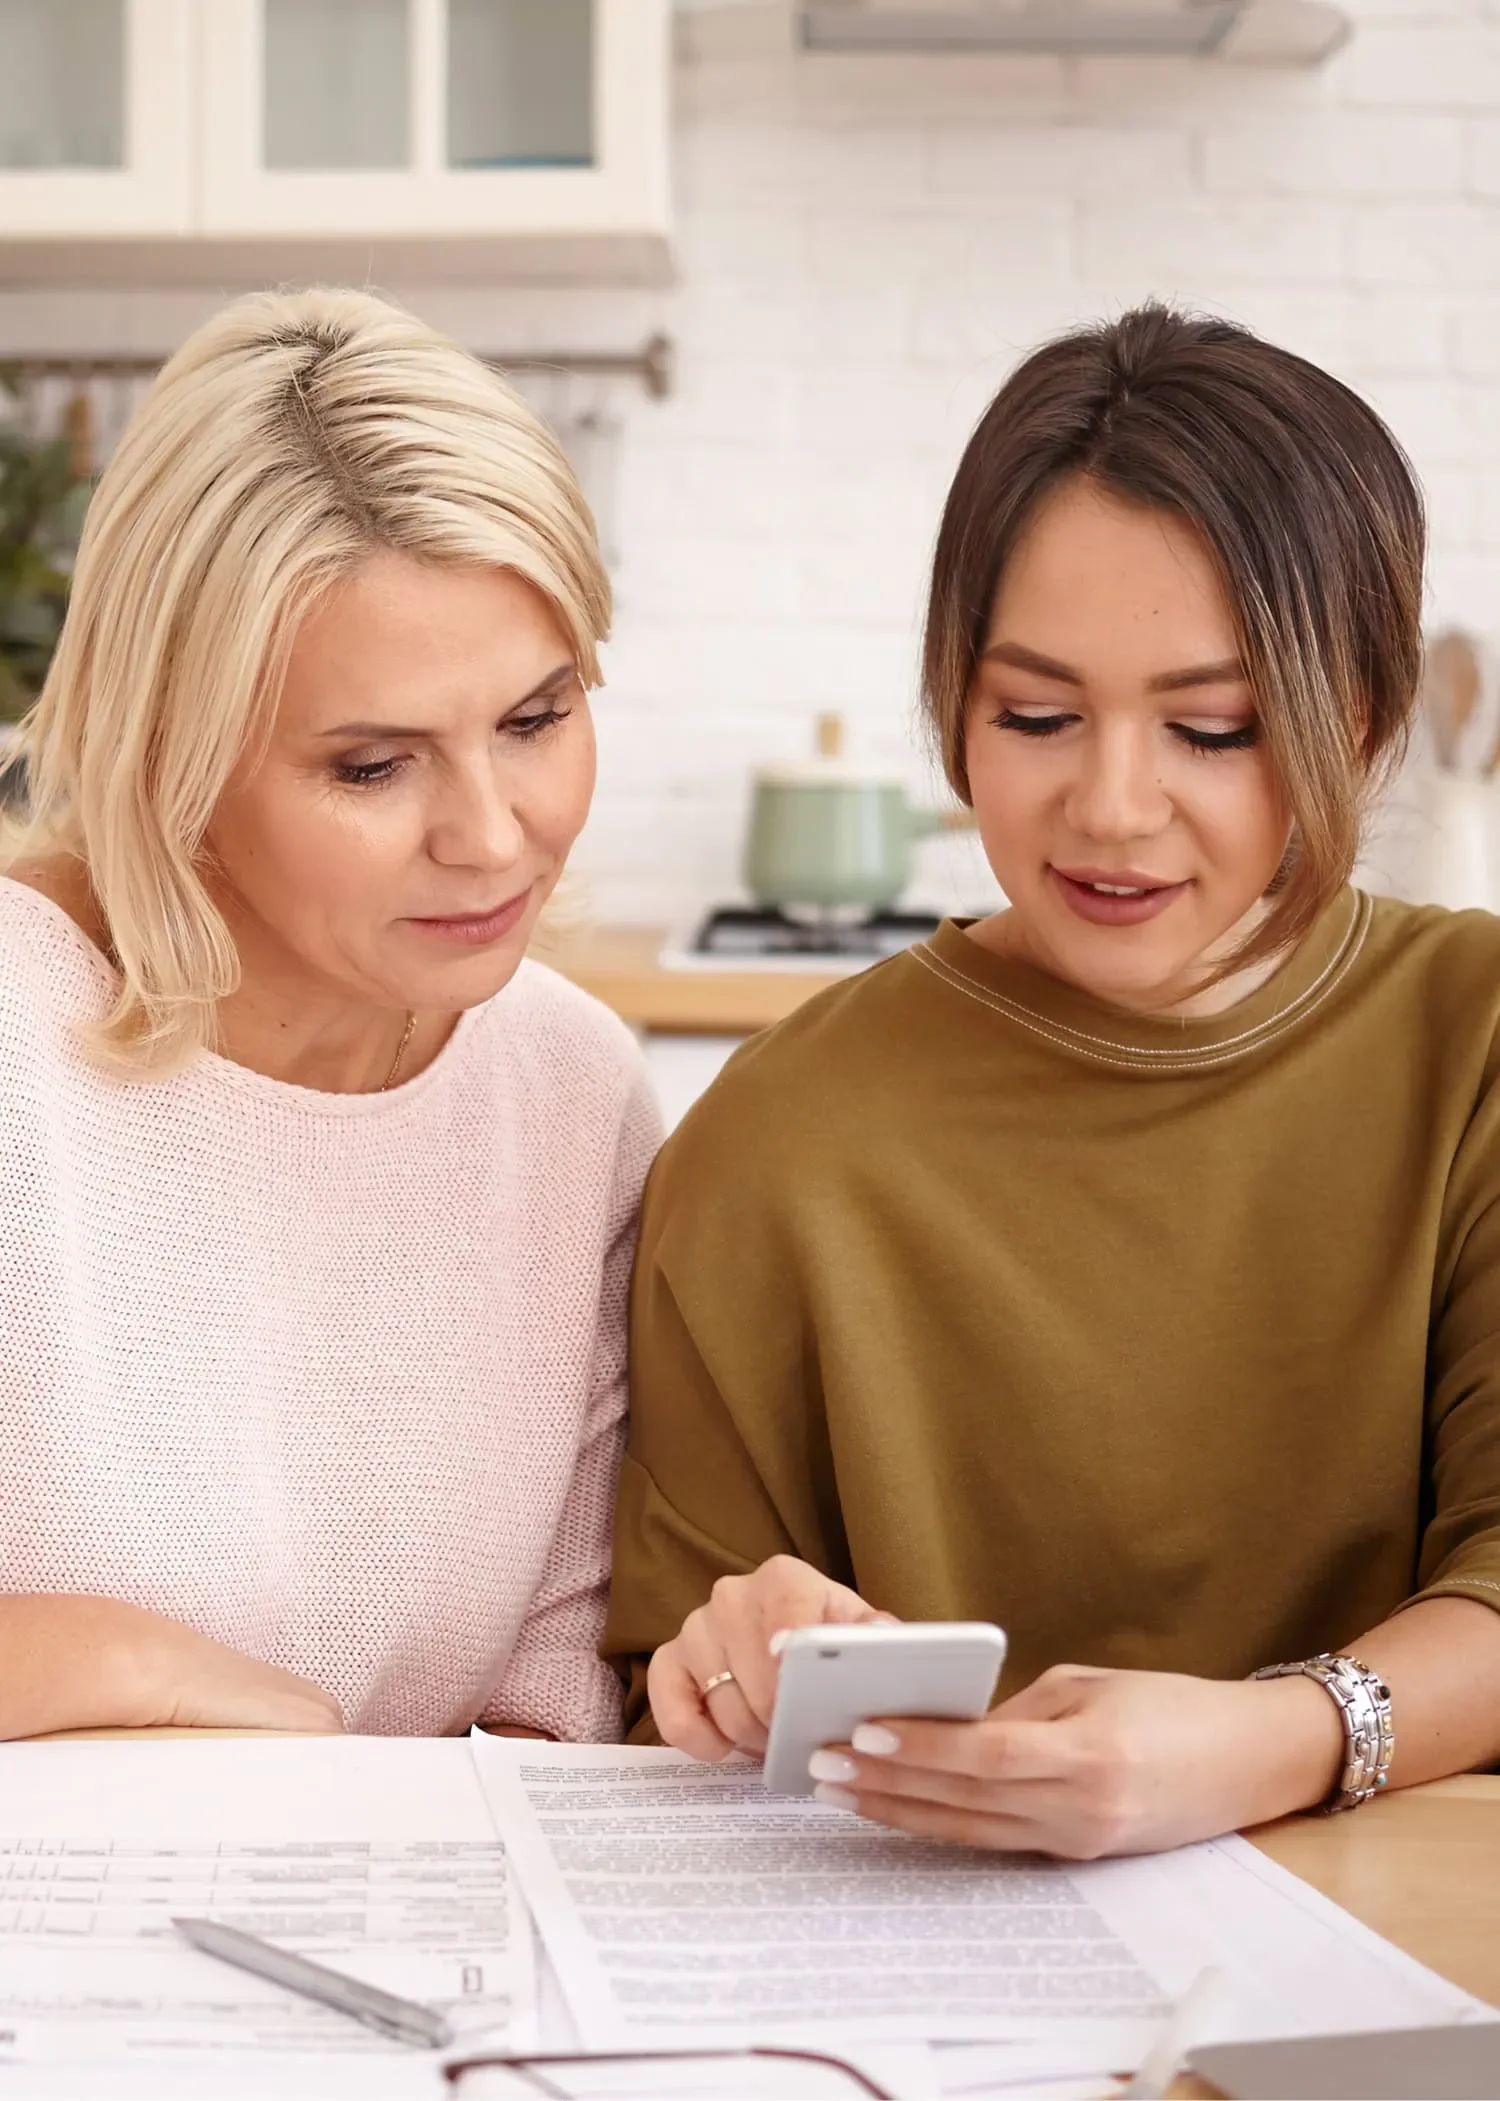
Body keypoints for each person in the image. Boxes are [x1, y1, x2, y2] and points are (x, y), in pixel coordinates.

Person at [604, 303, 1500, 1857]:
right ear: (956, 702)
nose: (1110, 805)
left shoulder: (1472, 1037)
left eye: (1211, 728)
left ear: (1356, 722)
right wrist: (731, 1658)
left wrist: (1277, 1737)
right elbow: (658, 1712)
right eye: (1036, 715)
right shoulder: (775, 1143)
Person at [0, 287, 659, 1742]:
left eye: (538, 722)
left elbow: (554, 1703)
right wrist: (129, 1668)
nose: (493, 836)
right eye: (373, 767)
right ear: (174, 751)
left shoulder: (570, 1089)